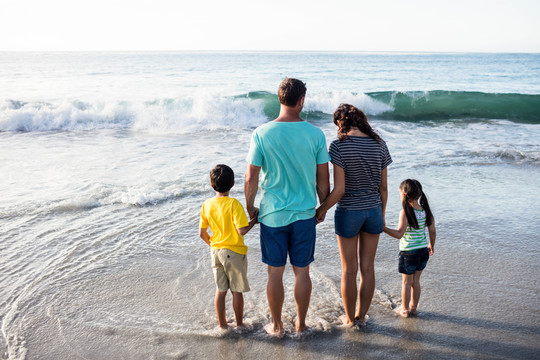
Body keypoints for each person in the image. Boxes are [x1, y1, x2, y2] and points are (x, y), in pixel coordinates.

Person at [245, 78, 330, 336]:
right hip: (305, 215)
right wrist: (322, 207)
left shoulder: (261, 133)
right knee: (302, 273)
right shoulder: (316, 134)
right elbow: (323, 181)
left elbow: (251, 177)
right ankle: (301, 325)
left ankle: (278, 326)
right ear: (301, 100)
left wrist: (251, 208)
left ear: (279, 99)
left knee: (275, 274)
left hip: (271, 215)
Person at [316, 104, 392, 327]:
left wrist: (321, 210)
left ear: (340, 123)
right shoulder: (380, 144)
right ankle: (361, 316)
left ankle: (349, 320)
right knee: (368, 269)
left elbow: (338, 190)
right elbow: (384, 188)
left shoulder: (339, 146)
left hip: (349, 212)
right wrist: (381, 213)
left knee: (349, 271)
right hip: (373, 211)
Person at [199, 164, 258, 329]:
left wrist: (215, 245)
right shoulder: (233, 204)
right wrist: (255, 220)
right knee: (236, 290)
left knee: (220, 290)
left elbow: (202, 233)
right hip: (233, 251)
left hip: (215, 251)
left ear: (211, 185)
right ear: (233, 184)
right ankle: (239, 325)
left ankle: (222, 325)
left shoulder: (207, 204)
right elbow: (242, 230)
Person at [383, 179, 436, 317]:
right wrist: (431, 244)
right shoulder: (426, 211)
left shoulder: (405, 212)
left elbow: (399, 234)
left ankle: (405, 310)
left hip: (408, 253)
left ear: (403, 194)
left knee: (406, 283)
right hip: (423, 251)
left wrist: (383, 228)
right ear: (419, 194)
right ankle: (413, 308)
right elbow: (432, 230)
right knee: (416, 282)